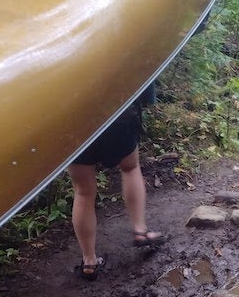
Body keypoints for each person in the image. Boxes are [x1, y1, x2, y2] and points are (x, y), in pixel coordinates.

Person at [67, 83, 165, 281]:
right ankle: (140, 231)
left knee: (83, 192)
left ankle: (89, 261)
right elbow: (144, 86)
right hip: (117, 116)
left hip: (74, 122)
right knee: (130, 168)